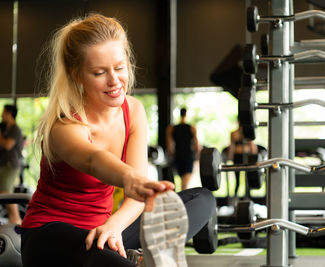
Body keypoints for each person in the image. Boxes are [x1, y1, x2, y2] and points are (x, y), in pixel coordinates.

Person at [20, 13, 215, 267]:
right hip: (50, 236)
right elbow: (92, 160)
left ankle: (143, 255)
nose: (114, 81)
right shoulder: (64, 124)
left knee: (202, 199)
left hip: (102, 230)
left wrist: (113, 226)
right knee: (110, 260)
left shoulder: (132, 111)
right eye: (99, 72)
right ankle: (134, 258)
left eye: (120, 67)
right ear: (77, 74)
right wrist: (131, 179)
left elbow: (136, 197)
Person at [0, 104, 24, 225]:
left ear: (10, 114)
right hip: (3, 164)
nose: (2, 115)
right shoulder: (6, 128)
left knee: (5, 192)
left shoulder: (15, 129)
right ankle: (12, 219)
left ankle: (16, 219)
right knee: (4, 191)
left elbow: (7, 145)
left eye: (4, 112)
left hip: (11, 165)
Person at [166, 108, 200, 190]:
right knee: (185, 183)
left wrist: (172, 155)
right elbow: (196, 145)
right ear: (186, 114)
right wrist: (196, 156)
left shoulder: (172, 128)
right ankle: (183, 199)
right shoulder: (192, 128)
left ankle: (182, 198)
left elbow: (169, 146)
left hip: (178, 156)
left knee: (182, 181)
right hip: (188, 156)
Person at [227, 123, 258, 197]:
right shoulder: (234, 133)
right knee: (237, 180)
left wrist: (254, 159)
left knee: (248, 178)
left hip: (247, 157)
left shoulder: (248, 133)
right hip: (237, 157)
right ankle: (235, 196)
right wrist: (229, 157)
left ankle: (248, 196)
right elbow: (232, 147)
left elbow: (252, 147)